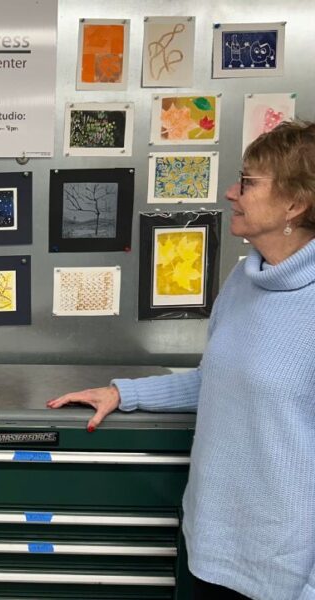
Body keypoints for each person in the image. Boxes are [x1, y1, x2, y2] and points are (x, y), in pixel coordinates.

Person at [47, 120, 315, 600]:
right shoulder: (244, 281)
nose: (232, 192)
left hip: (285, 576)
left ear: (296, 203)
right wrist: (121, 393)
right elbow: (219, 382)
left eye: (249, 182)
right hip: (211, 548)